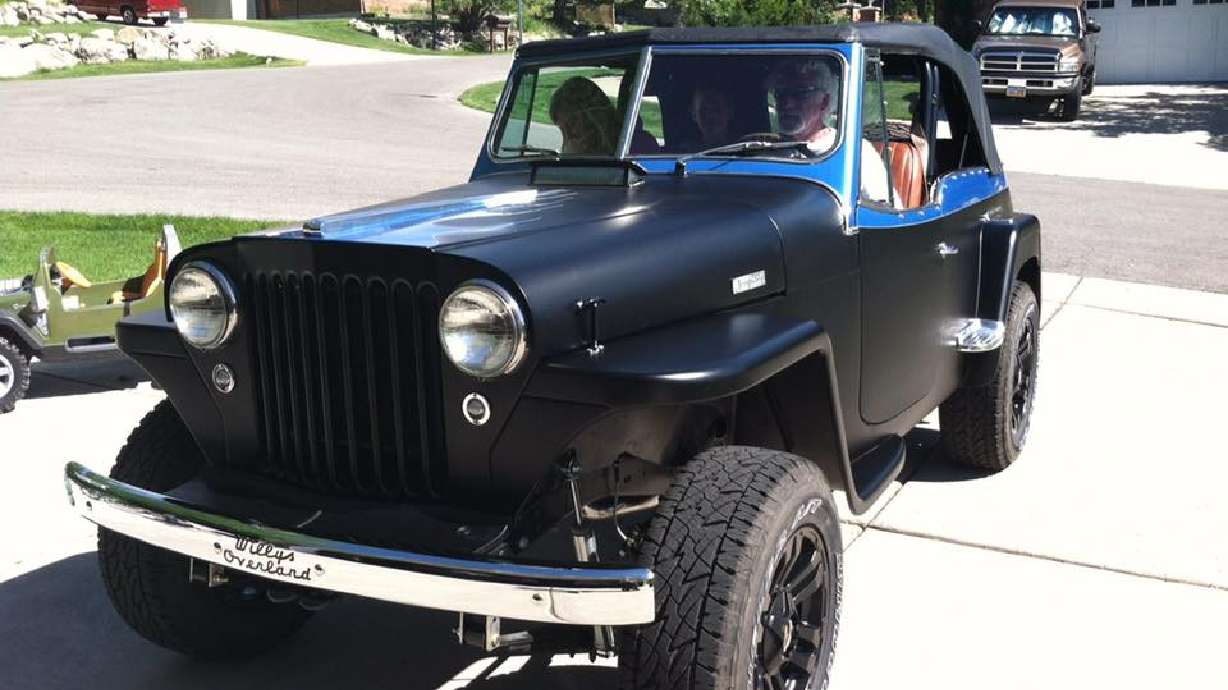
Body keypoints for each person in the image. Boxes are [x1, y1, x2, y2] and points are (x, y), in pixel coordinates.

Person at [765, 58, 900, 208]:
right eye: (781, 93)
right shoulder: (762, 148)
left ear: (824, 101)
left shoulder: (853, 150)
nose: (787, 104)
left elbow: (885, 209)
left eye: (800, 94)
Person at [549, 77, 621, 155]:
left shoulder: (620, 145)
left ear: (593, 118)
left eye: (572, 124)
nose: (569, 135)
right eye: (562, 129)